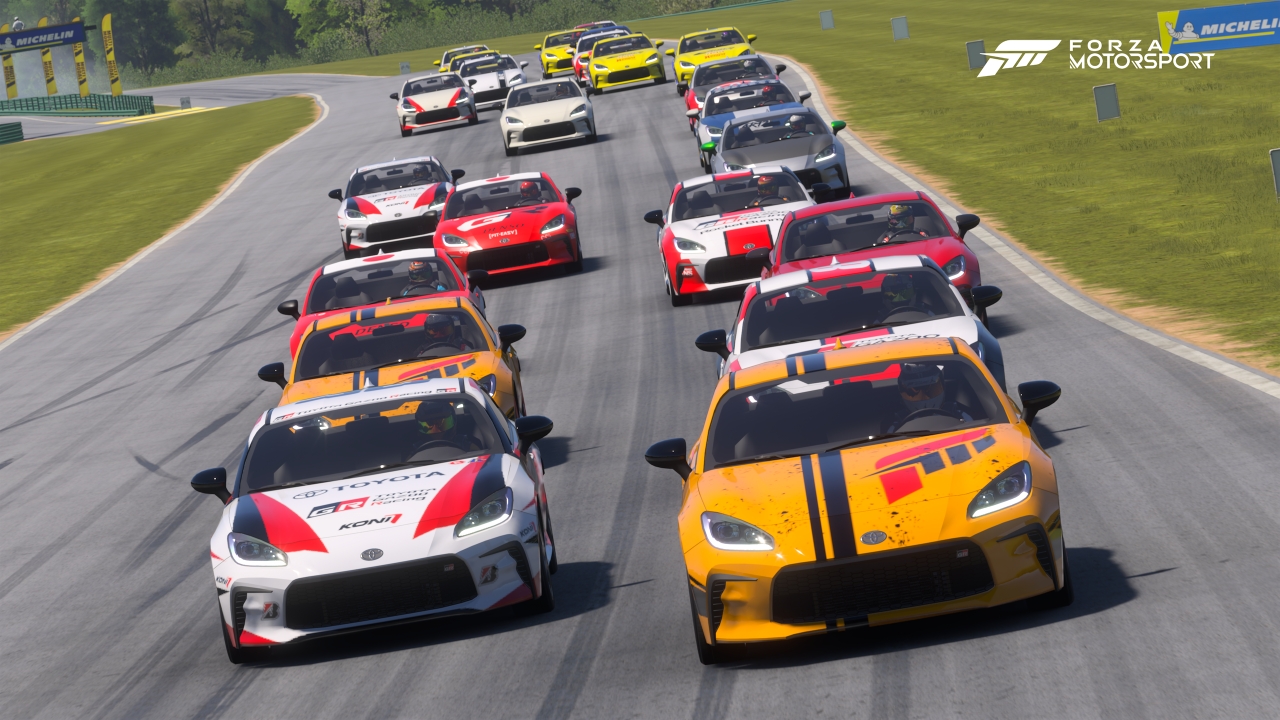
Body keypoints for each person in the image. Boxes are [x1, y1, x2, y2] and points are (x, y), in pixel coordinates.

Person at [883, 362, 971, 433]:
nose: (925, 397)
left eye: (931, 390)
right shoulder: (896, 426)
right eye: (914, 393)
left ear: (943, 387)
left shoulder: (958, 414)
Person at [411, 400, 478, 453]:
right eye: (429, 424)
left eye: (441, 423)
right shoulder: (416, 450)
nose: (436, 430)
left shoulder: (463, 443)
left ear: (453, 420)